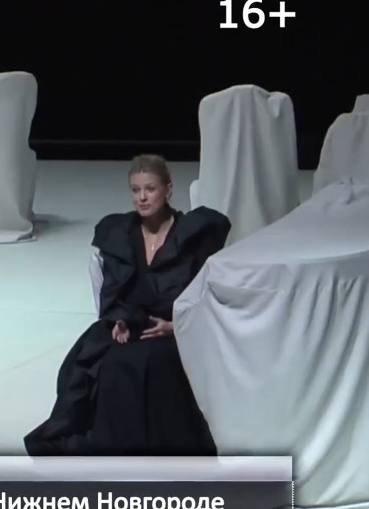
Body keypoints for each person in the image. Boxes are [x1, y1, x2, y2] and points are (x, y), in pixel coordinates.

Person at [24, 154, 230, 456]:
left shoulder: (192, 235)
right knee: (102, 360)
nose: (142, 198)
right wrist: (118, 319)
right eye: (135, 190)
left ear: (168, 190)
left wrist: (175, 326)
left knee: (148, 362)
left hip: (175, 329)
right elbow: (113, 292)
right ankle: (116, 446)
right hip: (129, 325)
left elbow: (206, 294)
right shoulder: (120, 234)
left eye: (150, 189)